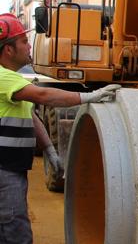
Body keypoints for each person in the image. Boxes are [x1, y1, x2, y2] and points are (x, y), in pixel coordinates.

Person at [0, 13, 119, 244]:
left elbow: (31, 117)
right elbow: (44, 95)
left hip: (12, 168)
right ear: (8, 50)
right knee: (14, 232)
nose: (29, 45)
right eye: (23, 41)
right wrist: (89, 96)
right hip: (4, 170)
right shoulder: (3, 78)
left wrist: (49, 150)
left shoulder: (13, 82)